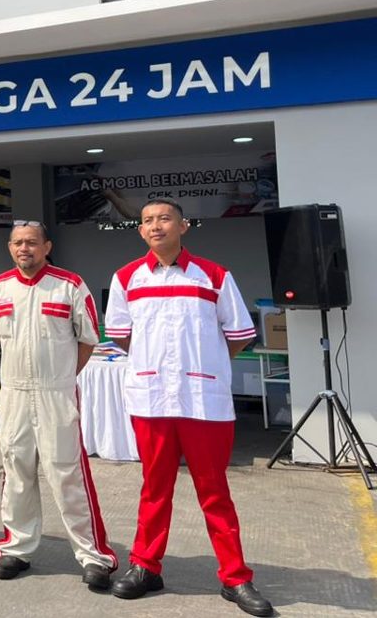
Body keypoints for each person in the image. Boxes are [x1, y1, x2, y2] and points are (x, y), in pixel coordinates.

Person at [105, 199, 272, 617]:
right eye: (147, 221)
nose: (155, 226)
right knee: (154, 487)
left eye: (164, 218)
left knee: (214, 490)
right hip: (152, 400)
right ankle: (145, 565)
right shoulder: (126, 277)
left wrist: (208, 363)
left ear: (183, 226)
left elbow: (239, 334)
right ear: (140, 231)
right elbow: (121, 335)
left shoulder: (214, 275)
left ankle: (235, 577)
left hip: (203, 401)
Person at [0, 219, 118, 589]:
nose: (23, 248)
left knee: (67, 474)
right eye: (17, 243)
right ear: (10, 248)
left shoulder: (69, 285)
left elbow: (88, 339)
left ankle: (93, 556)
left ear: (47, 247)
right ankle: (16, 548)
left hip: (55, 393)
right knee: (16, 472)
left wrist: (62, 377)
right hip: (13, 393)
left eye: (31, 242)